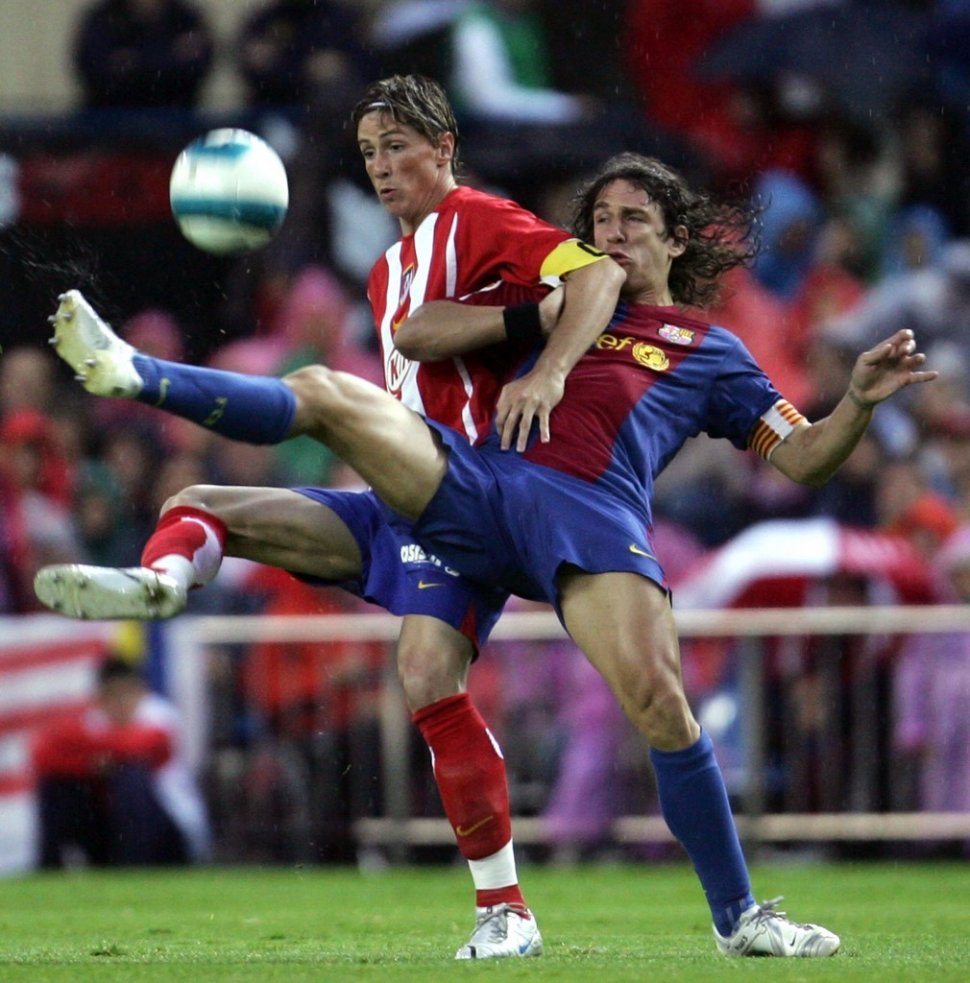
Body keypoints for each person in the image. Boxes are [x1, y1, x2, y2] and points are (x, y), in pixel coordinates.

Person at [36, 151, 934, 955]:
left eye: (634, 222)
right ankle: (146, 442)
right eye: (600, 223)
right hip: (470, 486)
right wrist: (533, 321)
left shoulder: (711, 350)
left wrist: (855, 400)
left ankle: (741, 917)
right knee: (322, 527)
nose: (612, 236)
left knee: (661, 702)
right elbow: (418, 332)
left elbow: (806, 458)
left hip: (588, 511)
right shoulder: (553, 301)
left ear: (676, 242)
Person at [37, 75, 625, 960]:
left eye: (398, 148)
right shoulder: (390, 267)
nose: (383, 168)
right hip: (411, 503)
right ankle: (164, 583)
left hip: (479, 484)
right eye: (369, 155)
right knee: (202, 509)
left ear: (445, 147)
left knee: (317, 389)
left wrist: (547, 372)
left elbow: (600, 273)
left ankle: (138, 374)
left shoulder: (480, 218)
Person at [31, 655, 210, 867]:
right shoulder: (92, 722)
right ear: (100, 697)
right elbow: (43, 755)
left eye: (127, 694)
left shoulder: (161, 716)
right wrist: (91, 764)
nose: (121, 703)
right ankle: (49, 868)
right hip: (111, 827)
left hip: (167, 825)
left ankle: (135, 868)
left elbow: (144, 747)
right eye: (113, 695)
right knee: (59, 786)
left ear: (141, 692)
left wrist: (96, 756)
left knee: (132, 777)